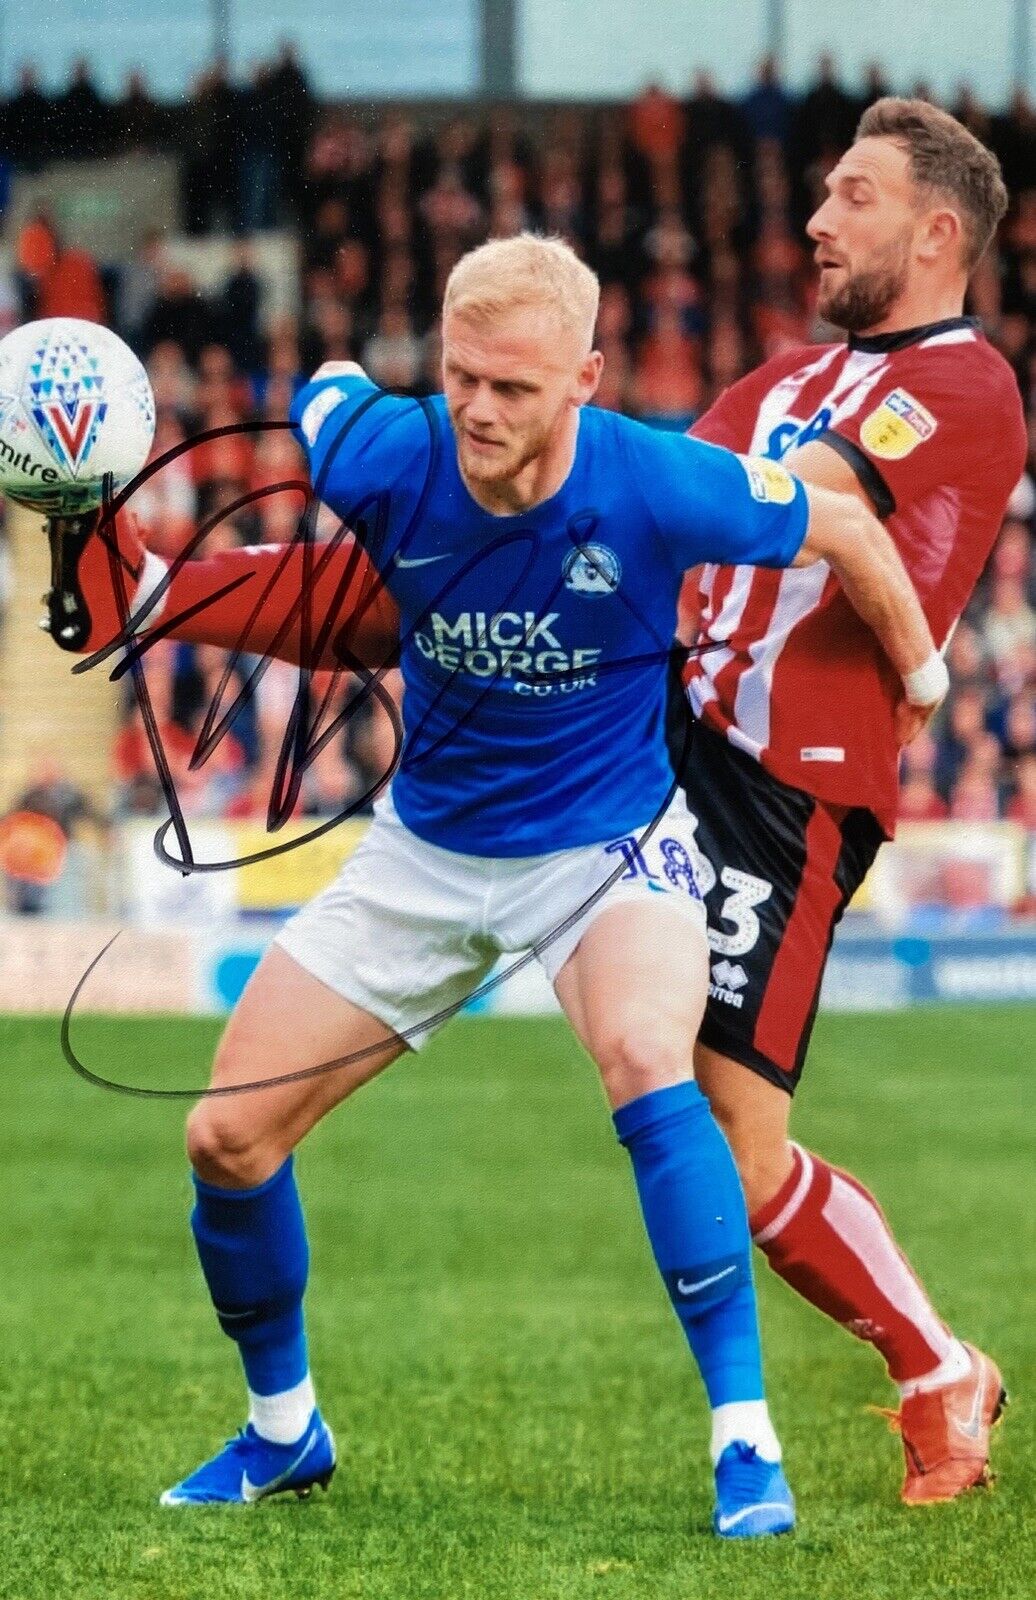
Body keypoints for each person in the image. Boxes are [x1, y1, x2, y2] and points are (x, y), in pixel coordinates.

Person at [45, 234, 947, 1533]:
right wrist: (116, 517)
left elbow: (849, 523)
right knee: (224, 1139)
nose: (478, 409)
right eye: (462, 376)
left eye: (515, 389)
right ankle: (283, 1430)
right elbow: (332, 391)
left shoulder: (662, 481)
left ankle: (745, 1444)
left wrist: (916, 684)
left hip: (607, 850)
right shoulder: (385, 453)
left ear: (585, 379)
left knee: (651, 1061)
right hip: (423, 854)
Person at [669, 99, 1027, 1506]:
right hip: (671, 743)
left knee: (737, 1148)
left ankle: (939, 1368)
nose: (820, 218)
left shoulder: (967, 381)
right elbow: (667, 496)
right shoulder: (778, 372)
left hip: (788, 786)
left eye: (855, 196)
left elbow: (793, 494)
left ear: (938, 232)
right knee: (680, 1115)